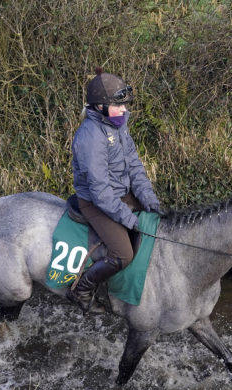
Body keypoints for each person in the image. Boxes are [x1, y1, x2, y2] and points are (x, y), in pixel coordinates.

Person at [67, 68, 161, 312]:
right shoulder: (90, 137)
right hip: (96, 202)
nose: (124, 110)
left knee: (161, 221)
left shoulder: (118, 126)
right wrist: (129, 219)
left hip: (122, 193)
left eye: (125, 105)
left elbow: (134, 165)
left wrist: (149, 199)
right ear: (100, 107)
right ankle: (83, 288)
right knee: (123, 255)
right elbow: (100, 192)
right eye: (118, 106)